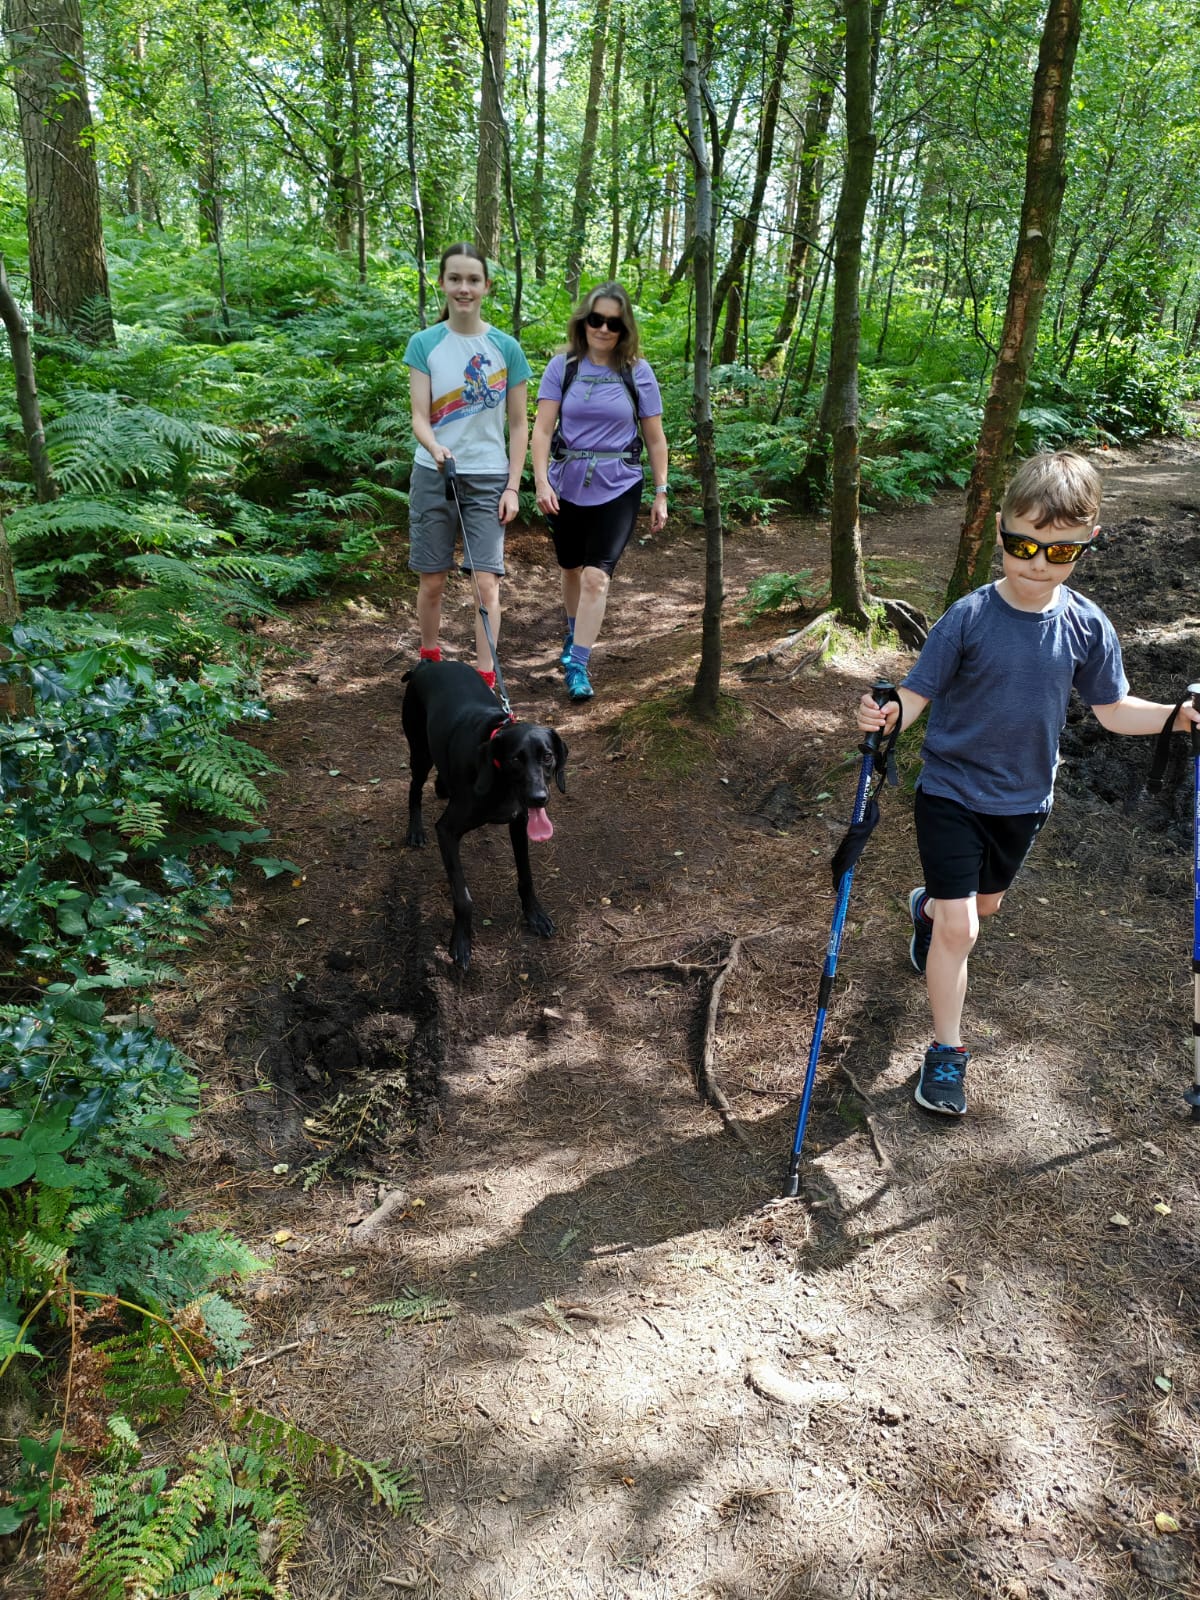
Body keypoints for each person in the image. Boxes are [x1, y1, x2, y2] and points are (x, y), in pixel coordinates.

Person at [856, 451, 1200, 1118]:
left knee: (981, 908)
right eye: (1023, 545)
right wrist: (889, 712)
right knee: (963, 929)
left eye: (1059, 551)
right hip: (951, 790)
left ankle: (926, 909)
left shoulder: (1087, 624)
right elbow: (916, 694)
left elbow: (1112, 711)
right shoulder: (969, 616)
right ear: (1002, 531)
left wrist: (1176, 717)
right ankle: (946, 1052)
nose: (1038, 563)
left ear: (1088, 542)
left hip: (1023, 800)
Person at [531, 282, 669, 702]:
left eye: (614, 323)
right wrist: (540, 480)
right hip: (565, 483)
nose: (604, 329)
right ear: (584, 321)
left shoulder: (637, 372)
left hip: (620, 484)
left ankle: (578, 663)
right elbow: (542, 429)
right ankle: (574, 632)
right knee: (571, 568)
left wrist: (661, 491)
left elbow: (655, 438)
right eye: (597, 320)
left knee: (596, 577)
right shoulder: (562, 367)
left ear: (625, 329)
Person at [403, 244, 531, 687]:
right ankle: (429, 661)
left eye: (473, 280)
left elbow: (519, 424)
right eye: (455, 279)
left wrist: (513, 486)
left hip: (489, 477)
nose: (464, 288)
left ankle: (486, 679)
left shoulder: (506, 348)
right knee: (432, 579)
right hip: (433, 473)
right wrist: (435, 447)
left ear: (486, 287)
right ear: (442, 283)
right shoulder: (424, 344)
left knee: (486, 583)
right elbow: (419, 415)